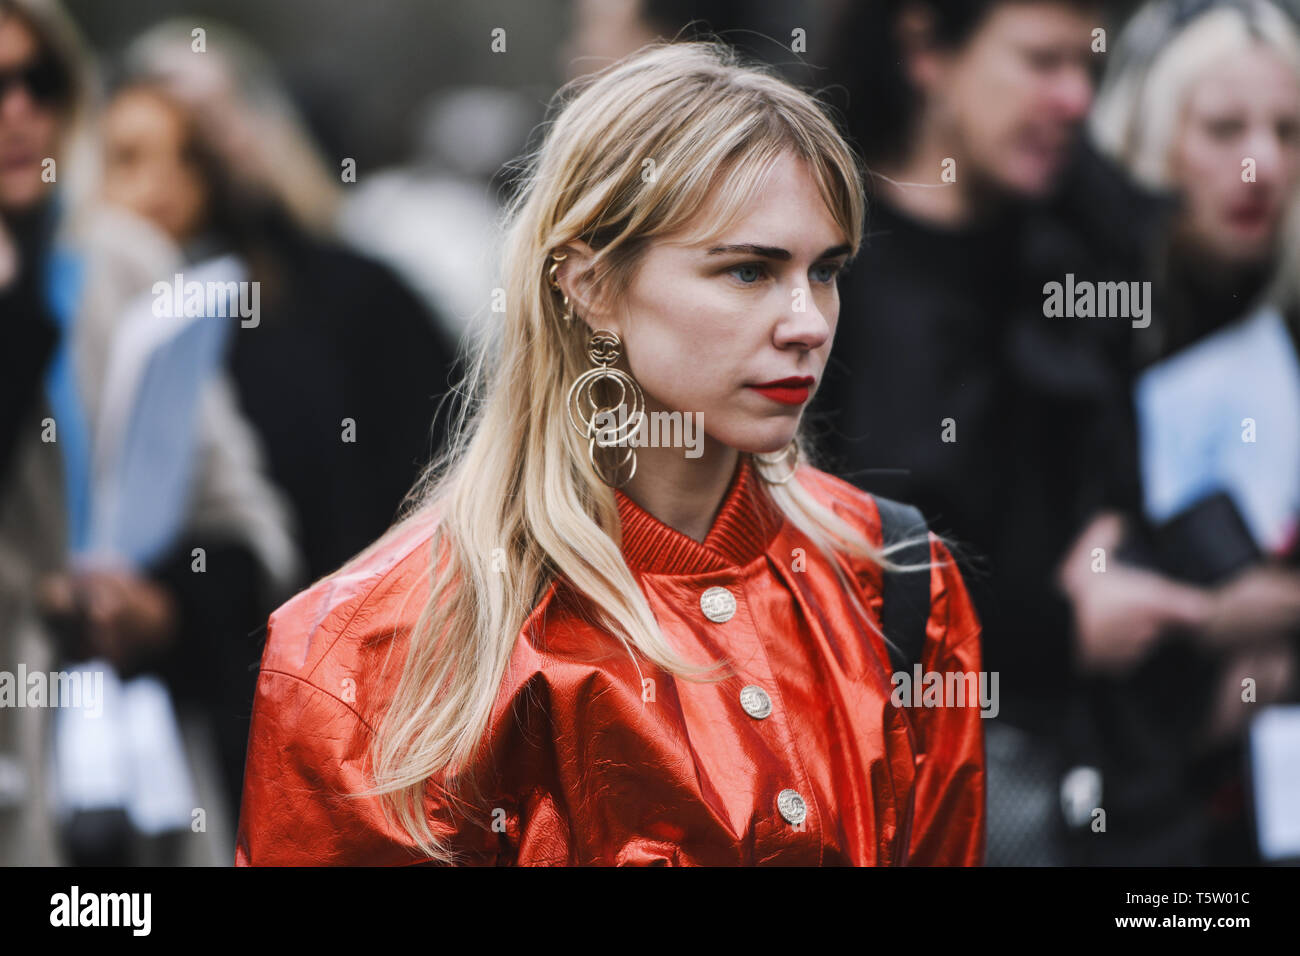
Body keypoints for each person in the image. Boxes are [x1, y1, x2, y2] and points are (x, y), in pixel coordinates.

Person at [236, 40, 986, 866]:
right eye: (747, 271)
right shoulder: (368, 652)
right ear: (590, 285)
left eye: (827, 269)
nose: (807, 322)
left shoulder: (899, 582)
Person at [814, 0, 1221, 865]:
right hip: (920, 785)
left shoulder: (1101, 242)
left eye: (1088, 67)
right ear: (927, 50)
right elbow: (816, 568)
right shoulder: (818, 268)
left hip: (1124, 784)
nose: (1075, 99)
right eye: (1041, 61)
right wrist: (1056, 629)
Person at [0, 0, 297, 865]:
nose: (18, 110)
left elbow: (248, 525)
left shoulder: (125, 263)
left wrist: (161, 609)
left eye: (39, 81)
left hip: (139, 771)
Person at [99, 21, 462, 583]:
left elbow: (440, 472)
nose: (169, 175)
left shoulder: (360, 297)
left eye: (205, 128)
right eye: (137, 151)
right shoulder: (93, 313)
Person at [1083, 0, 1300, 864]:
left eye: (1287, 130)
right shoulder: (1076, 337)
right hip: (1127, 812)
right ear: (1147, 138)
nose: (1263, 163)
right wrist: (1205, 616)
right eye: (1223, 128)